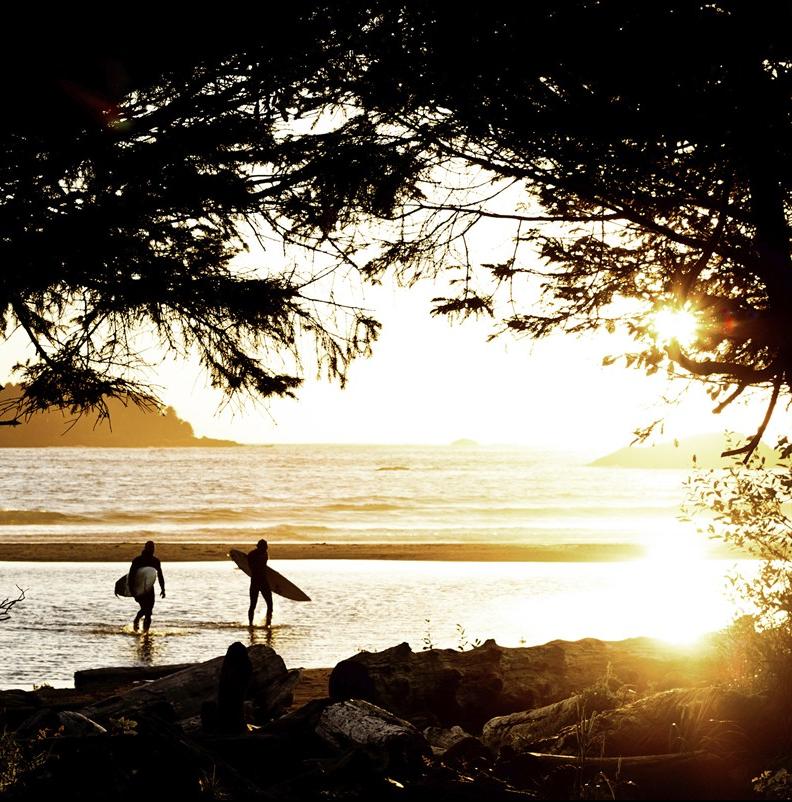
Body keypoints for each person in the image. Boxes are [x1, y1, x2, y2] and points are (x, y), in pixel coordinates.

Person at [128, 540, 165, 632]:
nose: (152, 550)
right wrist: (132, 590)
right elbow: (131, 575)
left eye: (153, 548)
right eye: (150, 548)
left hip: (150, 588)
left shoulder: (155, 561)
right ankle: (137, 619)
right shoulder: (138, 560)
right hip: (138, 588)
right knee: (145, 609)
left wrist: (163, 589)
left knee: (149, 612)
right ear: (146, 548)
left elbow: (160, 575)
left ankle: (146, 633)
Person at [247, 538, 272, 625]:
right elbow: (249, 566)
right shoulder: (252, 554)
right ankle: (250, 624)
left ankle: (268, 624)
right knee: (253, 605)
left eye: (266, 547)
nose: (266, 549)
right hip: (256, 582)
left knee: (270, 604)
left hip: (263, 581)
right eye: (264, 547)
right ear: (260, 547)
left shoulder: (265, 554)